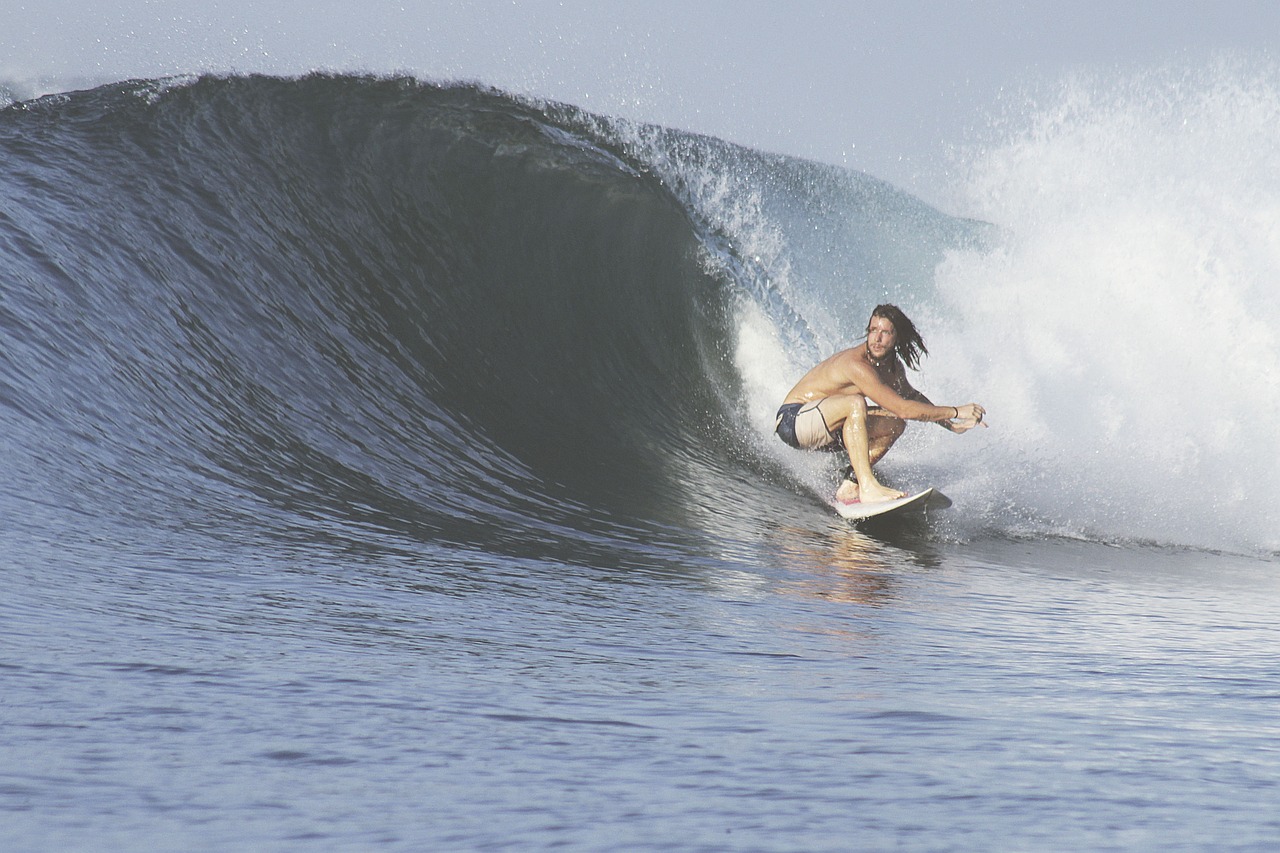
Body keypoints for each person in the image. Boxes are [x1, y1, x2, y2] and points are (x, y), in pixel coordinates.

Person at [775, 304, 986, 504]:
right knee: (856, 404)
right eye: (873, 330)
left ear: (897, 338)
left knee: (894, 423)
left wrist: (952, 423)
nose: (877, 338)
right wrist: (958, 410)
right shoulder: (856, 365)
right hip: (794, 420)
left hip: (827, 430)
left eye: (885, 332)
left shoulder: (891, 367)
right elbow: (904, 409)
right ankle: (868, 487)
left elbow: (911, 398)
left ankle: (852, 484)